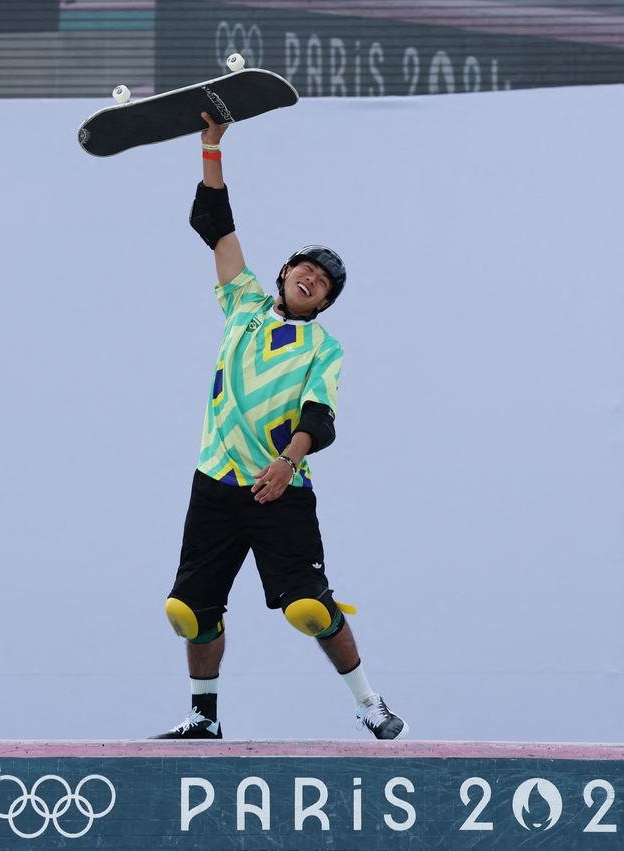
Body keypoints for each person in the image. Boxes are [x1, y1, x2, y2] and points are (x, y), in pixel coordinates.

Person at [153, 113, 408, 741]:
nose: (311, 278)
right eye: (306, 268)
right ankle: (202, 718)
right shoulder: (241, 301)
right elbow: (217, 227)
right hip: (216, 480)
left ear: (321, 303)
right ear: (286, 273)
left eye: (322, 283)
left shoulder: (325, 347)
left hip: (278, 488)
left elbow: (319, 417)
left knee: (306, 607)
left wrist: (288, 462)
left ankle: (369, 702)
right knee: (188, 612)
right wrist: (211, 145)